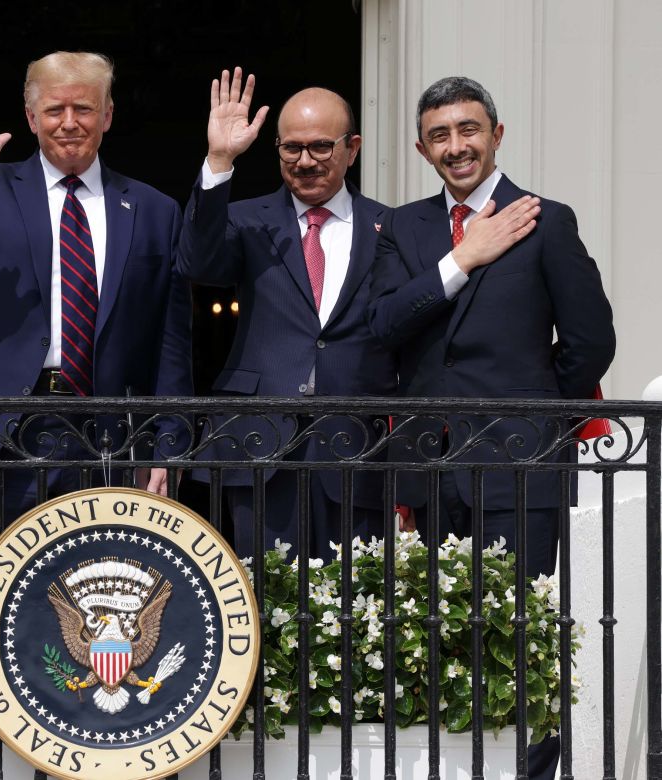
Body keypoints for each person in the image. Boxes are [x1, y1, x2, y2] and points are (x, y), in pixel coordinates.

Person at [367, 76, 616, 779]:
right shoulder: (407, 228)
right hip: (428, 467)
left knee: (520, 637)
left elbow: (591, 341)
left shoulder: (546, 219)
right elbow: (383, 325)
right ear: (422, 148)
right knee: (438, 638)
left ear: (497, 134)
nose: (457, 146)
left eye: (469, 130)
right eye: (440, 135)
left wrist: (530, 419)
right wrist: (461, 258)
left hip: (521, 465)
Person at [0, 52, 192, 541]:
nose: (68, 123)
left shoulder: (153, 209)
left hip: (107, 436)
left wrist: (168, 445)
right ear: (30, 117)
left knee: (99, 595)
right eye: (54, 110)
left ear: (107, 115)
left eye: (83, 109)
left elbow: (170, 339)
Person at [176, 69, 397, 558]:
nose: (305, 161)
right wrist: (219, 159)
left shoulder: (392, 227)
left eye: (321, 147)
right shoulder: (247, 219)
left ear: (353, 147)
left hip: (357, 446)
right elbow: (196, 262)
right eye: (291, 148)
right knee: (265, 600)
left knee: (354, 609)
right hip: (259, 443)